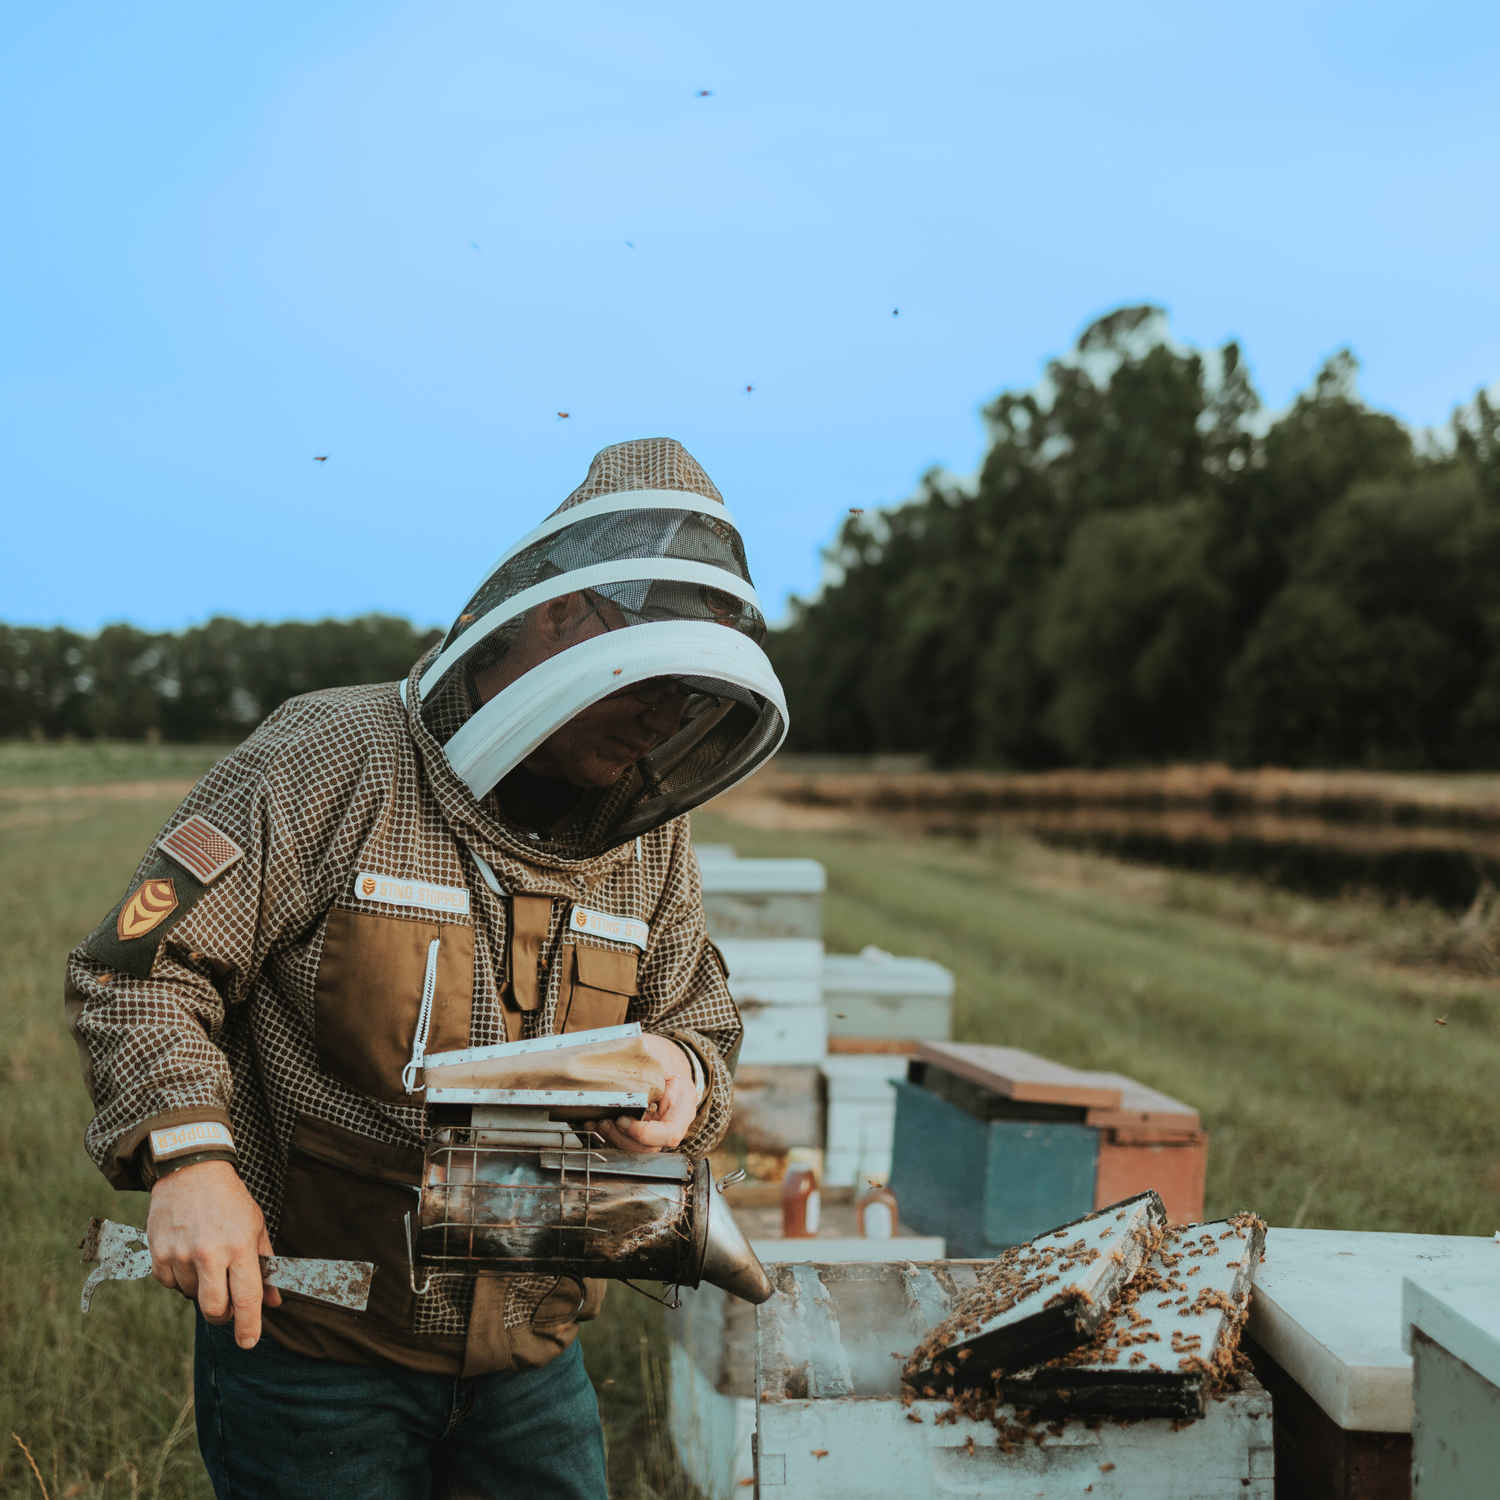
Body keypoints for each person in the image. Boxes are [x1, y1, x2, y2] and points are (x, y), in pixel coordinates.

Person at [64, 438, 788, 1500]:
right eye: (656, 684)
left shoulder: (646, 841)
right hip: (316, 1354)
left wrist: (682, 1078)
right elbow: (139, 970)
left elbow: (702, 1019)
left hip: (533, 1364)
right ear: (557, 618)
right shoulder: (329, 759)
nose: (665, 725)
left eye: (688, 703)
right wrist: (190, 1160)